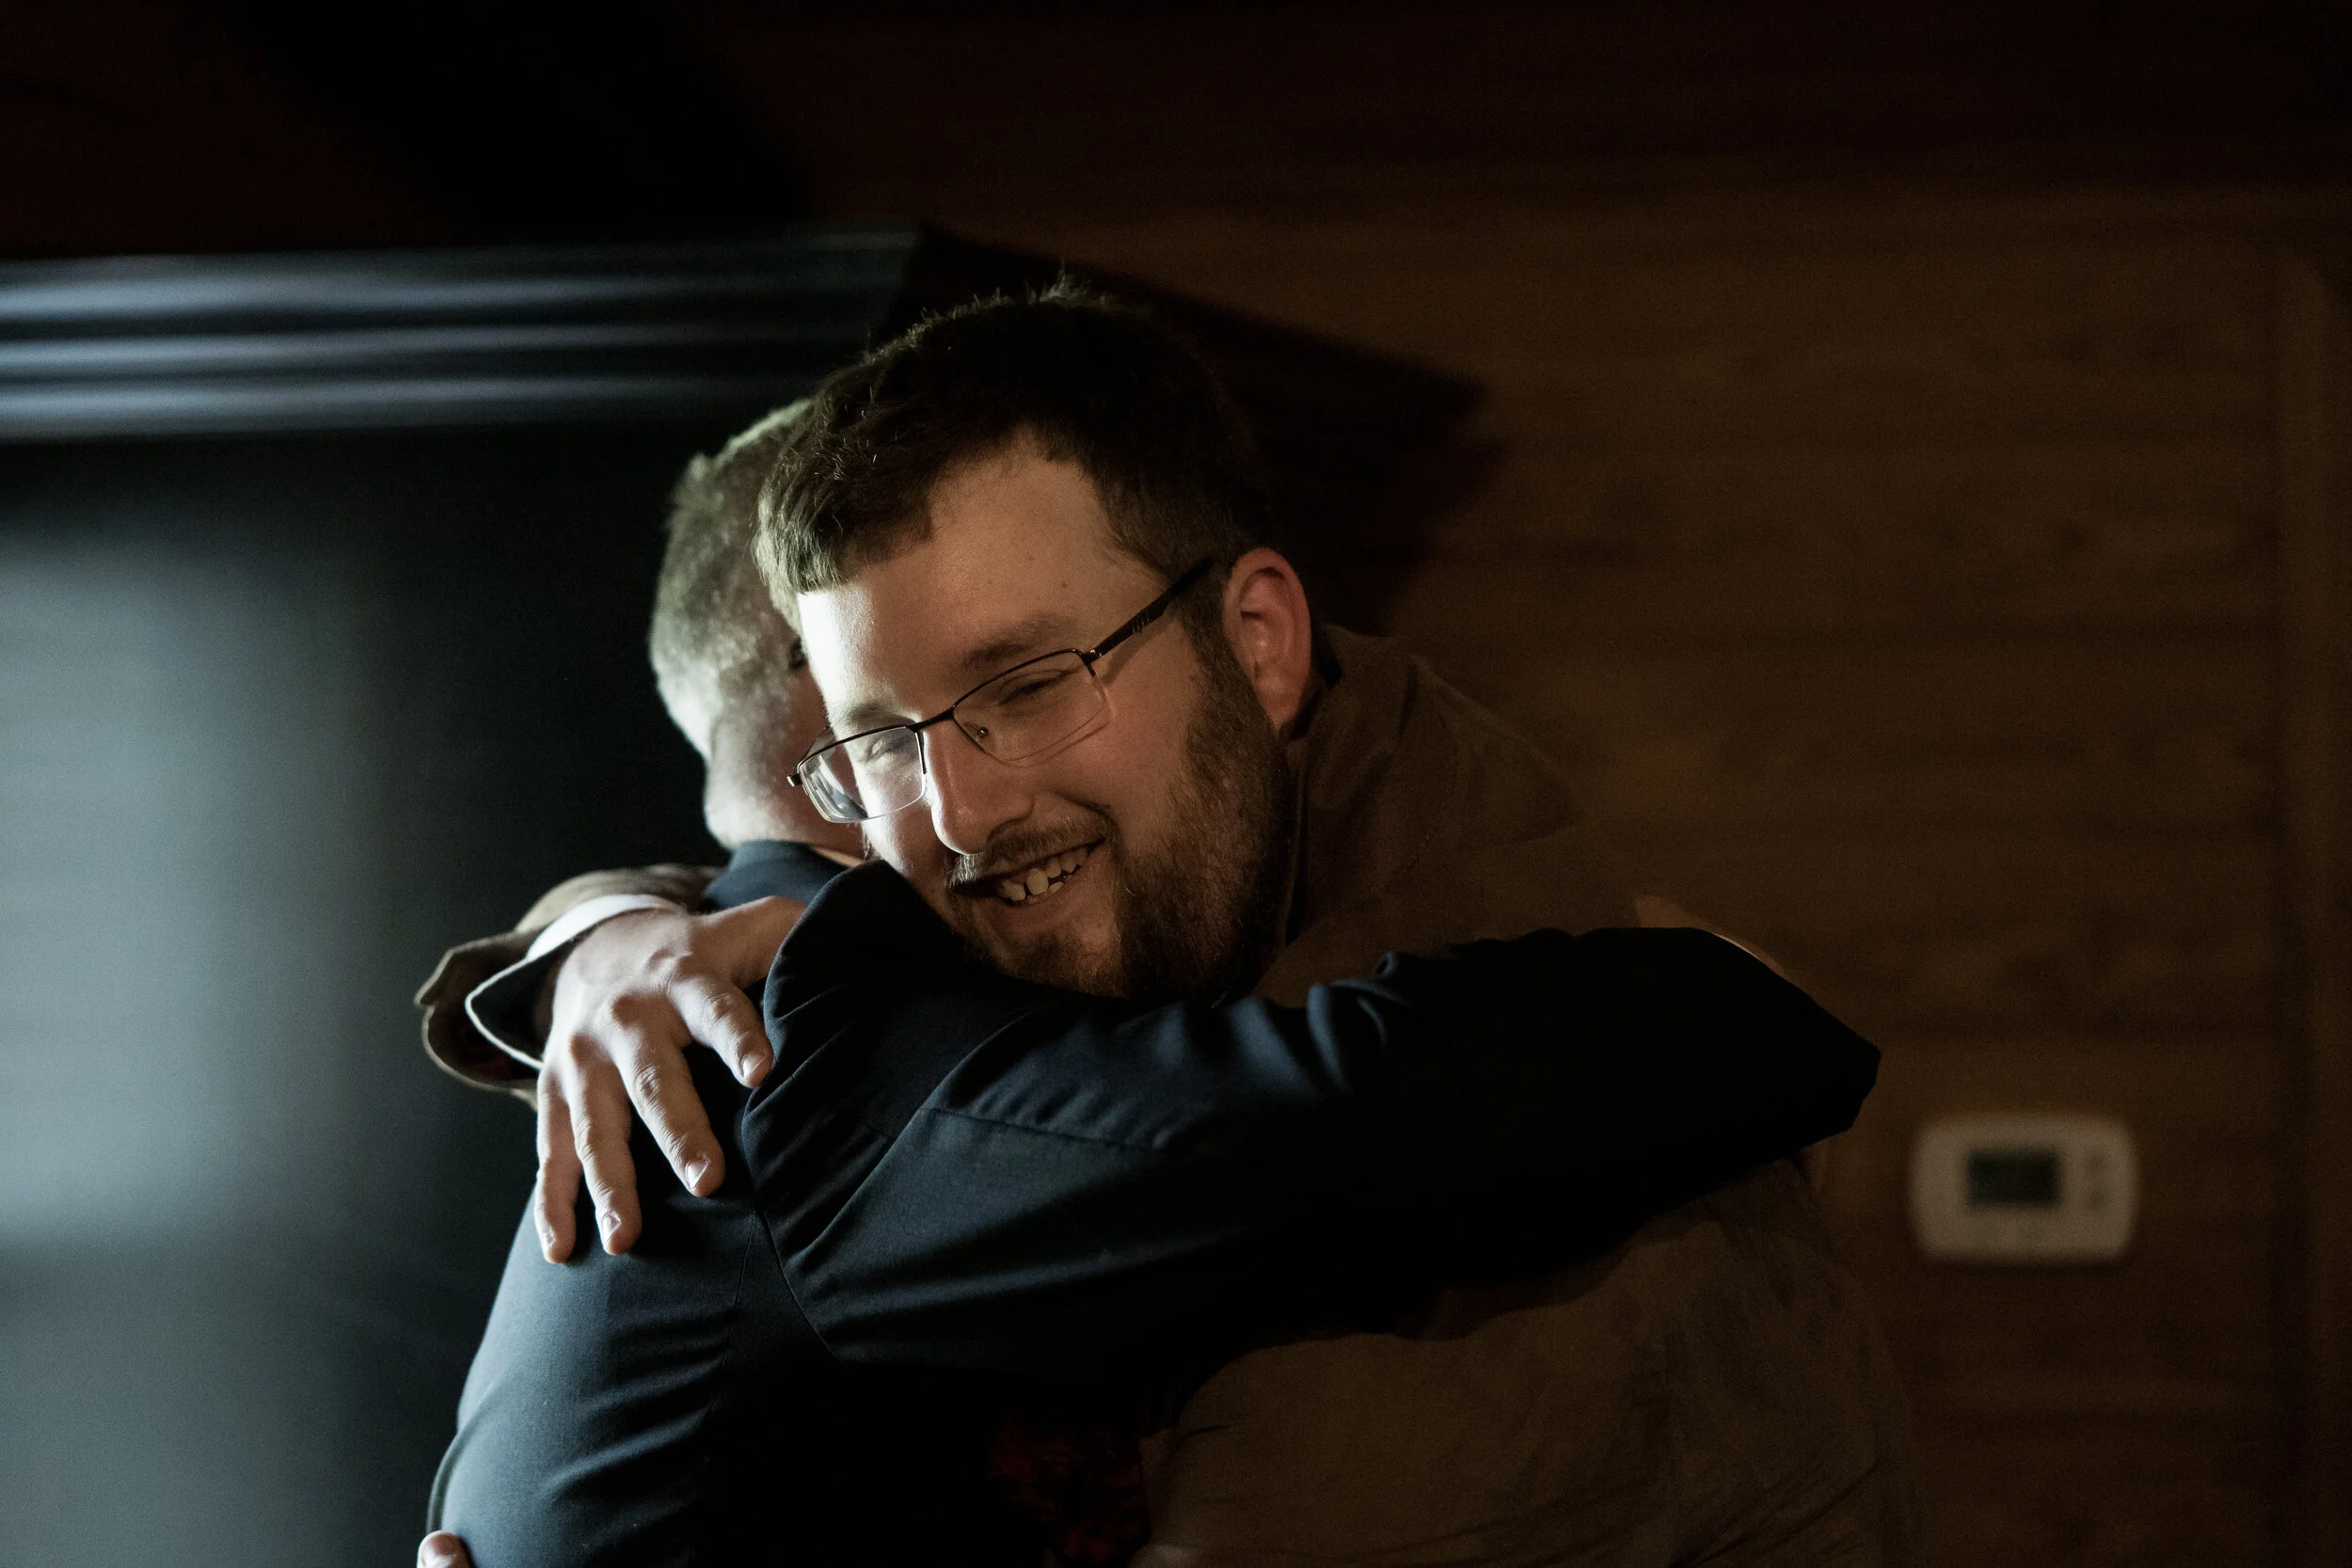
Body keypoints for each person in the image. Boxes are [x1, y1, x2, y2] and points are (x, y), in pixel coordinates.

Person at [421, 288, 1920, 1566]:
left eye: (1025, 683)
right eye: (885, 741)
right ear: (822, 766)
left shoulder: (759, 975)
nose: (953, 808)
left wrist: (594, 923)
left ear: (1261, 641)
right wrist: (1728, 1003)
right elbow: (1350, 1115)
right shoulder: (787, 1032)